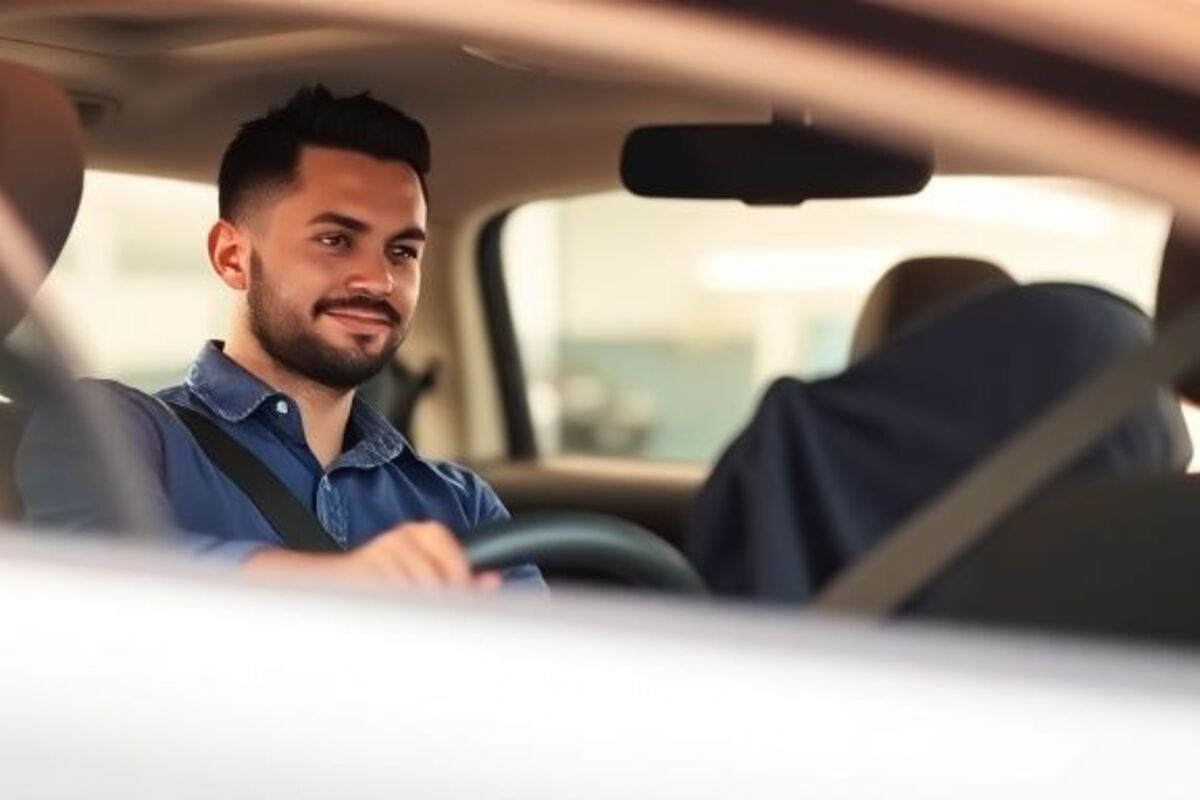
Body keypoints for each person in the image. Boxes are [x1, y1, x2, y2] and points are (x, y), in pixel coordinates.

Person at [17, 85, 542, 589]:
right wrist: (342, 583)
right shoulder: (114, 430)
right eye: (335, 240)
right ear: (232, 257)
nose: (379, 279)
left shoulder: (461, 502)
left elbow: (540, 670)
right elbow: (109, 583)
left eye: (402, 251)